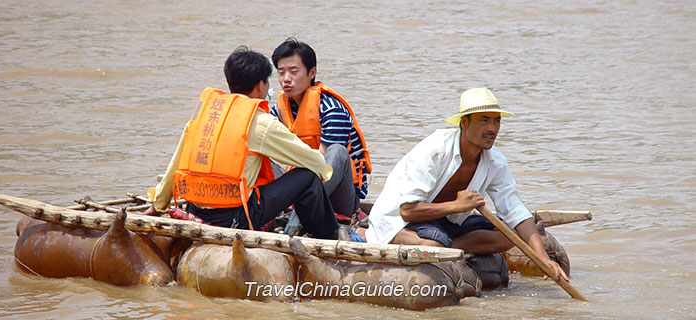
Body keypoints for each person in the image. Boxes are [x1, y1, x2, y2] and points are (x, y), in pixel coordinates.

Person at [364, 87, 568, 280]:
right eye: (484, 120)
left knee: (511, 236)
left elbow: (515, 211)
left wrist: (543, 258)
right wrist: (457, 206)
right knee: (431, 244)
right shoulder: (435, 149)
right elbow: (408, 210)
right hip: (399, 222)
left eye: (497, 121)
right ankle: (368, 233)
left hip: (447, 225)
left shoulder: (495, 161)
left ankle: (447, 247)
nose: (492, 128)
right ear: (464, 123)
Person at [144, 46, 339, 240]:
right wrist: (325, 176)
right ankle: (329, 237)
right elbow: (314, 161)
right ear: (260, 85)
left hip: (195, 208)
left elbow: (175, 165)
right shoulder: (261, 121)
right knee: (307, 175)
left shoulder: (203, 115)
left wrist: (158, 205)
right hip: (236, 217)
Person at [269, 38, 372, 217]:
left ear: (312, 73)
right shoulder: (280, 108)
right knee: (257, 149)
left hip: (338, 196)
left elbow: (322, 163)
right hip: (300, 187)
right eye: (281, 72)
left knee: (338, 152)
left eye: (293, 72)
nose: (286, 79)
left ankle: (296, 212)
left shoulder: (331, 109)